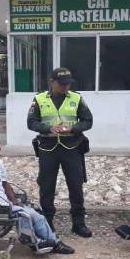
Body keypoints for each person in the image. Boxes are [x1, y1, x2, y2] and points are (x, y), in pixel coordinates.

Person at [0, 128, 74, 254]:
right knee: (26, 214)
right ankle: (35, 241)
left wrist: (14, 200)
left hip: (4, 202)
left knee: (37, 214)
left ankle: (53, 242)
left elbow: (5, 184)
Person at [27, 67, 93, 238]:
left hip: (72, 147)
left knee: (76, 185)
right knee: (46, 187)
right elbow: (31, 122)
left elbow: (88, 121)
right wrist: (48, 128)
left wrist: (73, 128)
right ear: (52, 82)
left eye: (68, 84)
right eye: (62, 84)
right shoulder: (39, 99)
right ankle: (47, 223)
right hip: (48, 148)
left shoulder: (76, 98)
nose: (65, 87)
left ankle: (78, 223)